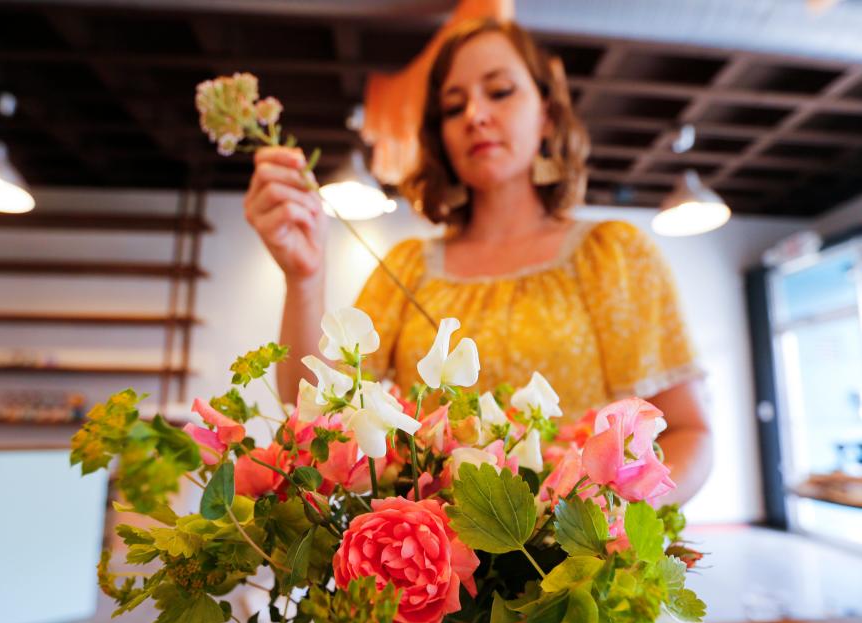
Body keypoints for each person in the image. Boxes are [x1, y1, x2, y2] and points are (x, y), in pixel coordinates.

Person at [243, 18, 712, 505]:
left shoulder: (612, 255)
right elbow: (317, 415)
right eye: (453, 105)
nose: (475, 115)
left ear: (547, 115)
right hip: (435, 568)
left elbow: (688, 430)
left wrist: (612, 522)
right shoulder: (407, 267)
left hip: (575, 567)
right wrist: (304, 277)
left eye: (500, 91)